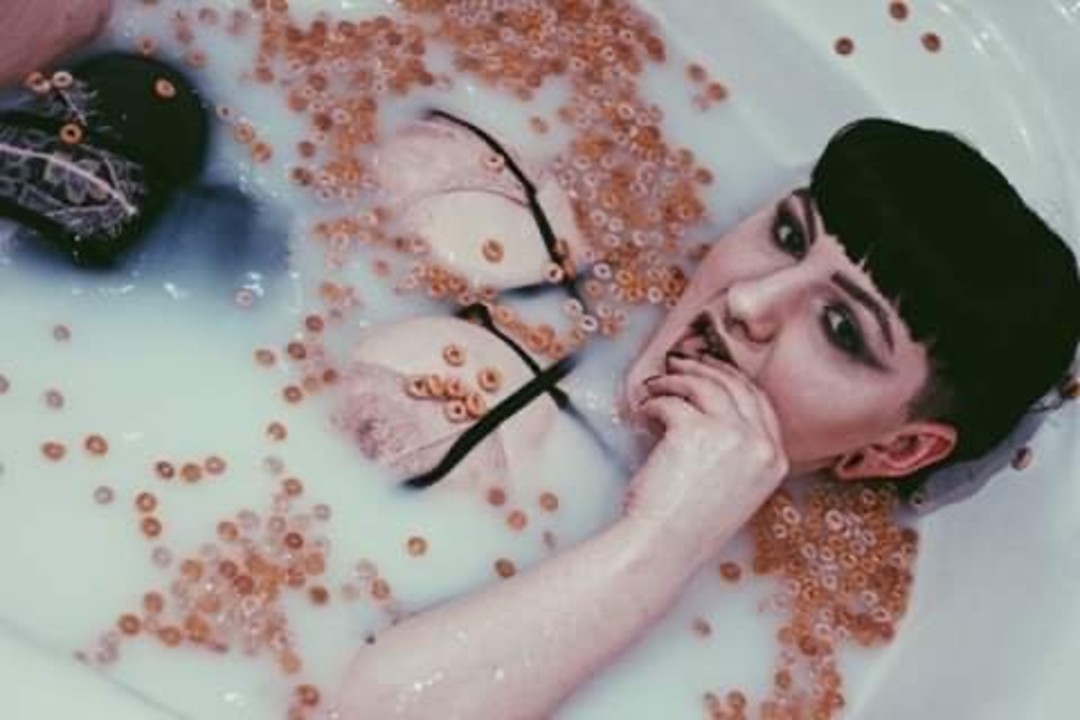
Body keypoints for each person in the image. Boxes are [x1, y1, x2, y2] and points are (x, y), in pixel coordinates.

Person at [330, 118, 1080, 719]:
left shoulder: (778, 666)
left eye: (840, 328)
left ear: (899, 449)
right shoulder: (523, 227)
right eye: (788, 236)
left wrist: (666, 539)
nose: (749, 301)